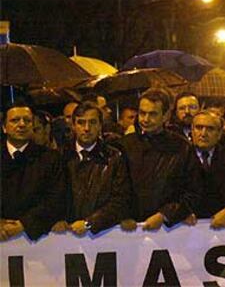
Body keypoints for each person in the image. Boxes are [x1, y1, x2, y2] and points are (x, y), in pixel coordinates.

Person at [116, 89, 198, 231]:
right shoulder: (124, 145)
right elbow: (116, 190)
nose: (145, 119)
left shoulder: (182, 147)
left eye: (153, 114)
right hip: (130, 230)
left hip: (169, 230)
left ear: (165, 115)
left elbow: (193, 190)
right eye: (142, 113)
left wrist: (165, 214)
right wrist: (122, 215)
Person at [52, 102, 131, 236]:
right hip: (65, 237)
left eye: (92, 122)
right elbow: (51, 196)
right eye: (81, 123)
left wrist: (90, 223)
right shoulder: (59, 157)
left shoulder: (115, 157)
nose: (87, 128)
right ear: (73, 125)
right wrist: (57, 218)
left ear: (100, 125)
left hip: (103, 235)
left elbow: (120, 200)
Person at [1, 102, 65, 241]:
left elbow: (56, 199)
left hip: (38, 242)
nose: (22, 124)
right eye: (15, 120)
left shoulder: (50, 158)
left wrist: (23, 224)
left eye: (27, 120)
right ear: (4, 127)